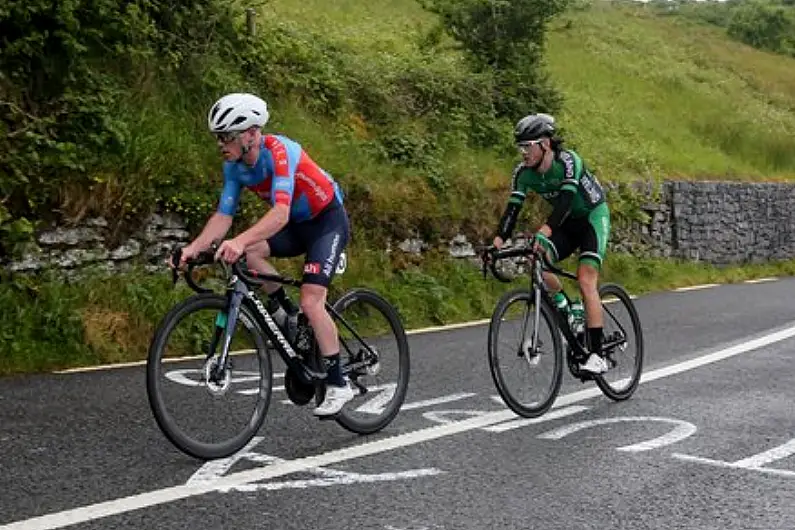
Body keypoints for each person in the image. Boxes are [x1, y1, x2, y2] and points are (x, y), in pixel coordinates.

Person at [172, 92, 353, 415]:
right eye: (218, 137)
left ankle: (339, 383)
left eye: (226, 136)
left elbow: (280, 214)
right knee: (249, 255)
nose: (220, 144)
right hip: (297, 225)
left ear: (251, 134)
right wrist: (192, 249)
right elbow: (223, 217)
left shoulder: (281, 151)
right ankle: (285, 312)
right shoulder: (235, 167)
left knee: (312, 300)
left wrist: (238, 240)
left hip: (327, 221)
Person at [492, 113, 611, 375]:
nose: (523, 153)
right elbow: (512, 211)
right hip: (566, 224)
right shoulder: (523, 174)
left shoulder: (568, 161)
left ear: (544, 144)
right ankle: (567, 307)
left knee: (585, 279)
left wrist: (545, 230)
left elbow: (567, 201)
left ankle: (597, 354)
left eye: (527, 146)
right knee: (538, 259)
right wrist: (497, 242)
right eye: (520, 147)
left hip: (592, 217)